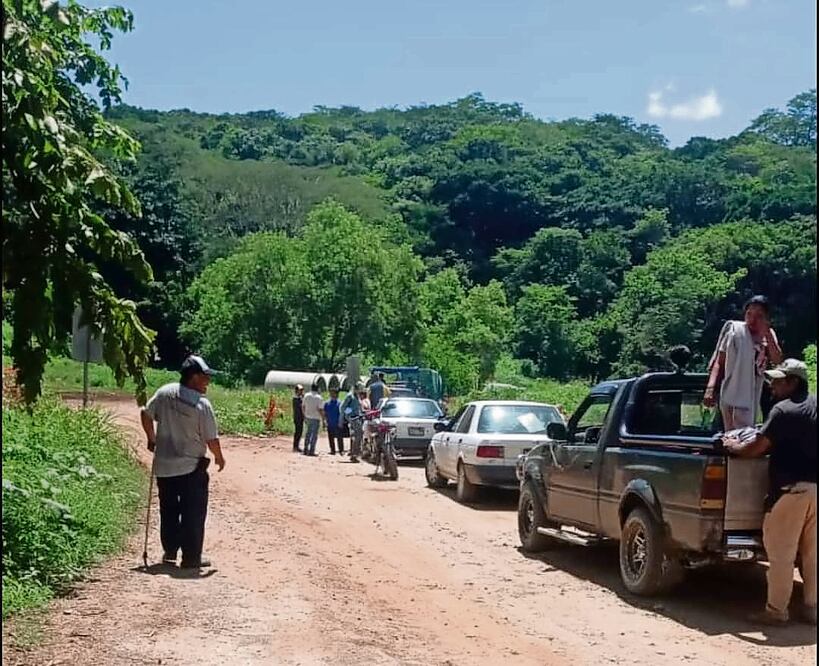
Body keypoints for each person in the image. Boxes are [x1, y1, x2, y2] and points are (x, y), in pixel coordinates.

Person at [723, 359, 816, 626]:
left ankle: (776, 611)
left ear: (793, 382)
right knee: (813, 555)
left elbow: (756, 448)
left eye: (778, 381)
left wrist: (732, 446)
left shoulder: (783, 411)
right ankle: (812, 608)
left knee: (781, 555)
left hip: (790, 492)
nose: (772, 386)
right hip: (816, 491)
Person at [140, 355, 225, 569]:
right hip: (191, 468)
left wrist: (151, 439)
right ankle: (191, 558)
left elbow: (145, 414)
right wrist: (219, 457)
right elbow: (211, 438)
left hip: (164, 466)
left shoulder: (164, 392)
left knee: (168, 510)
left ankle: (170, 552)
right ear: (194, 377)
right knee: (193, 513)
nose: (208, 382)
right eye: (205, 377)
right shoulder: (202, 404)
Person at [704, 295, 783, 430]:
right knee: (729, 434)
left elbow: (777, 360)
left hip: (754, 391)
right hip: (731, 390)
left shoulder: (768, 334)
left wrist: (767, 334)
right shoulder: (736, 332)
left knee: (748, 432)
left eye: (759, 316)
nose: (752, 319)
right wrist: (710, 388)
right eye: (749, 314)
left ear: (766, 318)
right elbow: (720, 362)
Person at [341, 383, 365, 463]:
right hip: (353, 418)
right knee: (358, 435)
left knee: (357, 436)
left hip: (358, 418)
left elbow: (357, 407)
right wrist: (349, 415)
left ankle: (354, 453)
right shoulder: (350, 396)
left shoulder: (356, 396)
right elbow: (343, 407)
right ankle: (354, 454)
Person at [302, 383, 323, 457]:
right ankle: (312, 450)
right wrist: (323, 418)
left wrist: (304, 415)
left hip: (308, 417)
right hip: (316, 417)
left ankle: (305, 449)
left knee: (308, 433)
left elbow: (303, 406)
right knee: (314, 435)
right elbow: (320, 409)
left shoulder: (306, 395)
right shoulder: (319, 397)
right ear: (317, 389)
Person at [322, 388, 344, 455]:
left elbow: (343, 412)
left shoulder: (340, 403)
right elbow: (324, 413)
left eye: (333, 393)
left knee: (339, 437)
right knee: (330, 437)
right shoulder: (327, 403)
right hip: (330, 423)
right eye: (331, 393)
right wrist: (324, 421)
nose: (332, 394)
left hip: (338, 423)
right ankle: (332, 450)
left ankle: (341, 450)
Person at [292, 385, 304, 452]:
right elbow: (301, 407)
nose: (302, 391)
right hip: (297, 417)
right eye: (300, 390)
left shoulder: (299, 398)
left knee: (299, 432)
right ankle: (295, 446)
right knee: (298, 432)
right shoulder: (296, 399)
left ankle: (296, 446)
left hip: (300, 417)